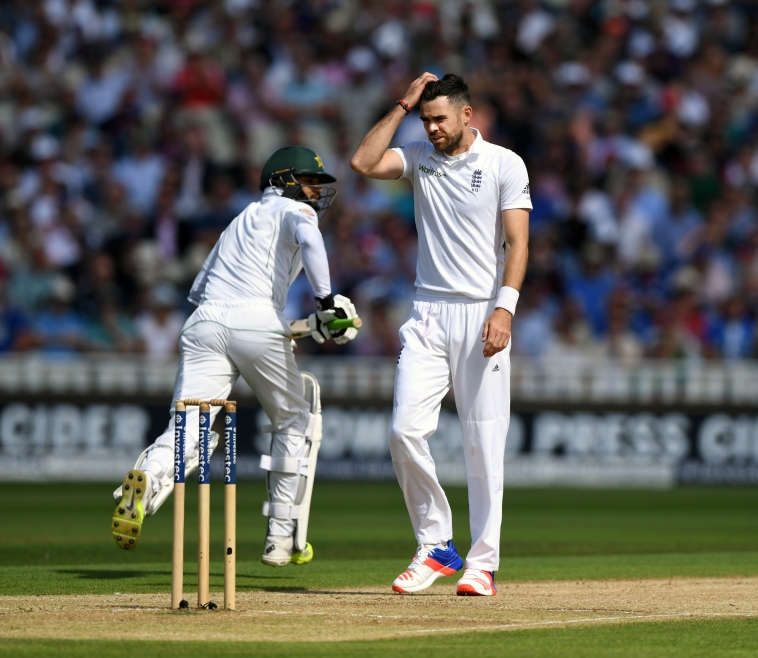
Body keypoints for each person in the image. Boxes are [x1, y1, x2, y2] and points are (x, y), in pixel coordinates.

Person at [111, 146, 359, 567]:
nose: (317, 192)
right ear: (282, 180)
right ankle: (281, 538)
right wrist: (327, 301)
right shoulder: (295, 212)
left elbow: (216, 300)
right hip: (256, 320)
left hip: (205, 323)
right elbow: (308, 242)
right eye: (310, 182)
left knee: (189, 425)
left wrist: (309, 326)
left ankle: (147, 481)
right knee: (295, 419)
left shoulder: (237, 223)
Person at [350, 73, 531, 596]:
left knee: (483, 441)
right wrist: (403, 103)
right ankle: (436, 545)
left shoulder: (504, 164)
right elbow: (363, 163)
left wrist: (505, 309)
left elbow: (518, 245)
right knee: (404, 431)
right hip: (427, 312)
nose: (431, 128)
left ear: (467, 115)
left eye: (439, 119)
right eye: (425, 119)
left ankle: (483, 563)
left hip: (481, 314)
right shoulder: (418, 156)